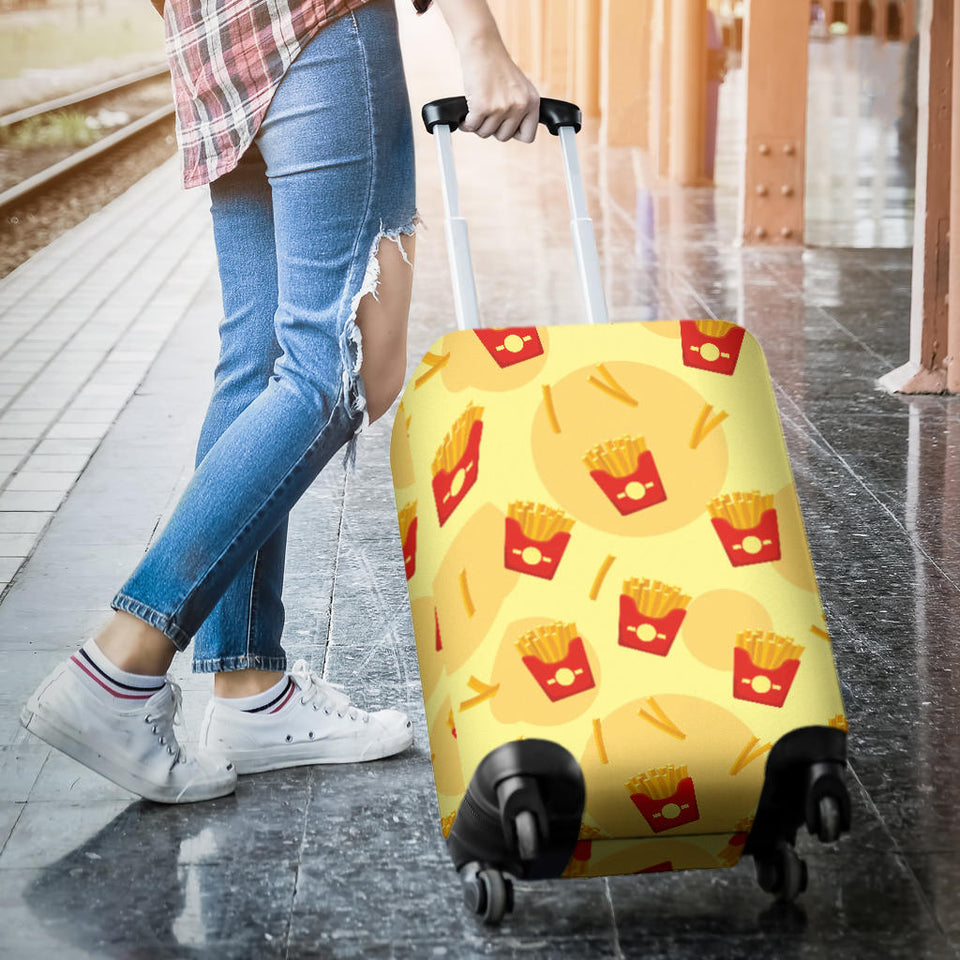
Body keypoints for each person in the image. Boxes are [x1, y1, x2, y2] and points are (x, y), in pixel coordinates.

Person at [20, 0, 540, 803]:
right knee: (339, 367)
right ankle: (120, 665)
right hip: (320, 25)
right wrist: (480, 40)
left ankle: (248, 689)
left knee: (259, 360)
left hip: (213, 46)